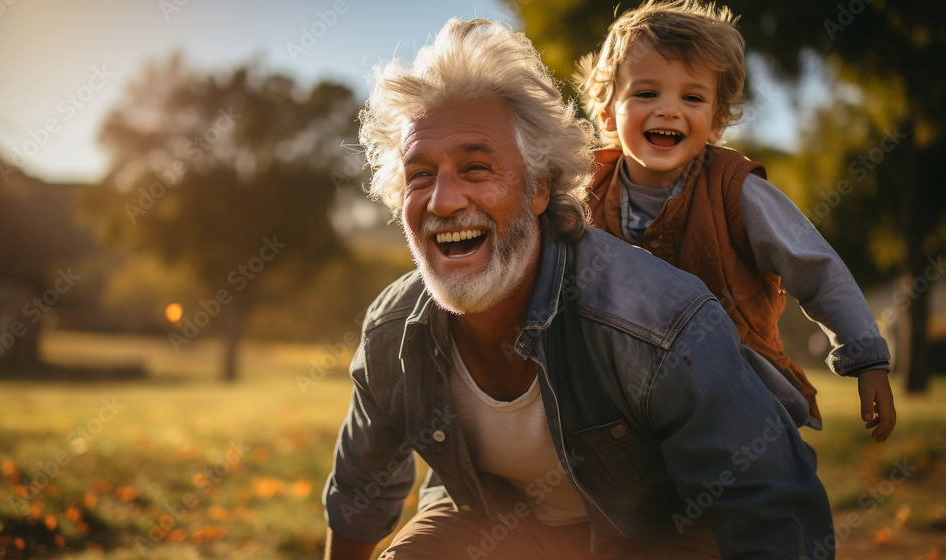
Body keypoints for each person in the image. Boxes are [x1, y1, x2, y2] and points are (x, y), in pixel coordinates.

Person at [323, 17, 833, 560]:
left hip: (657, 536)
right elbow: (360, 497)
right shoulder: (393, 329)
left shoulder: (658, 320)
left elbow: (772, 510)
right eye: (420, 174)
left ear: (540, 188)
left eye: (476, 167)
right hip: (491, 526)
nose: (443, 201)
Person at [574, 0, 895, 440]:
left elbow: (814, 266)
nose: (669, 109)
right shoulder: (582, 194)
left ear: (717, 121)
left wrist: (868, 359)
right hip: (629, 404)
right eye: (646, 93)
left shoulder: (735, 190)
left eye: (692, 97)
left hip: (742, 393)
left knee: (763, 496)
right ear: (608, 111)